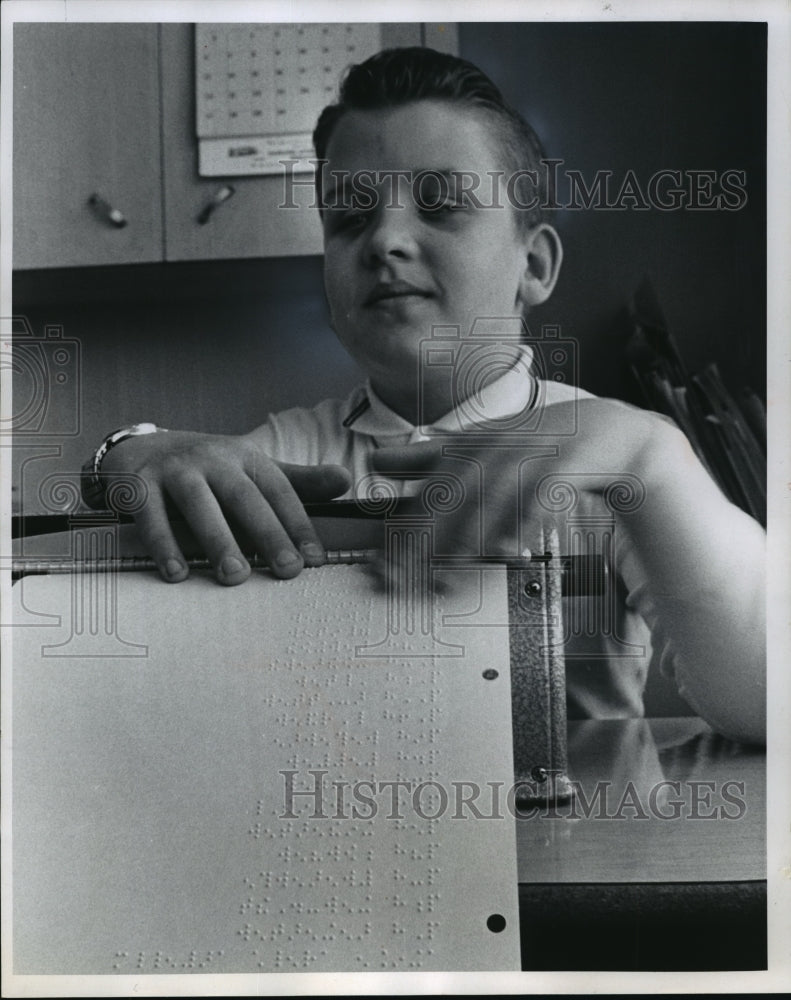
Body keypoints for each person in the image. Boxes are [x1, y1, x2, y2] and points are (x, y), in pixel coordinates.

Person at [87, 48, 765, 744]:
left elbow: (769, 706)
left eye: (441, 207)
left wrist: (651, 455)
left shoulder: (613, 456)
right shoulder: (284, 458)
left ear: (532, 265)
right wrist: (124, 455)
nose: (384, 239)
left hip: (568, 839)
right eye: (348, 218)